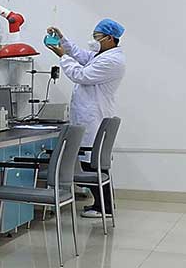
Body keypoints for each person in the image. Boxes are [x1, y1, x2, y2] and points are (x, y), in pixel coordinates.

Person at [47, 18, 126, 218]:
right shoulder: (102, 56)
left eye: (97, 37)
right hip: (91, 115)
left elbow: (81, 75)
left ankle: (104, 208)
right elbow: (80, 54)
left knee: (92, 165)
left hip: (94, 117)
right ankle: (103, 205)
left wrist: (63, 57)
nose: (94, 40)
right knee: (94, 163)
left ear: (110, 38)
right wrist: (62, 38)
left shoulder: (111, 61)